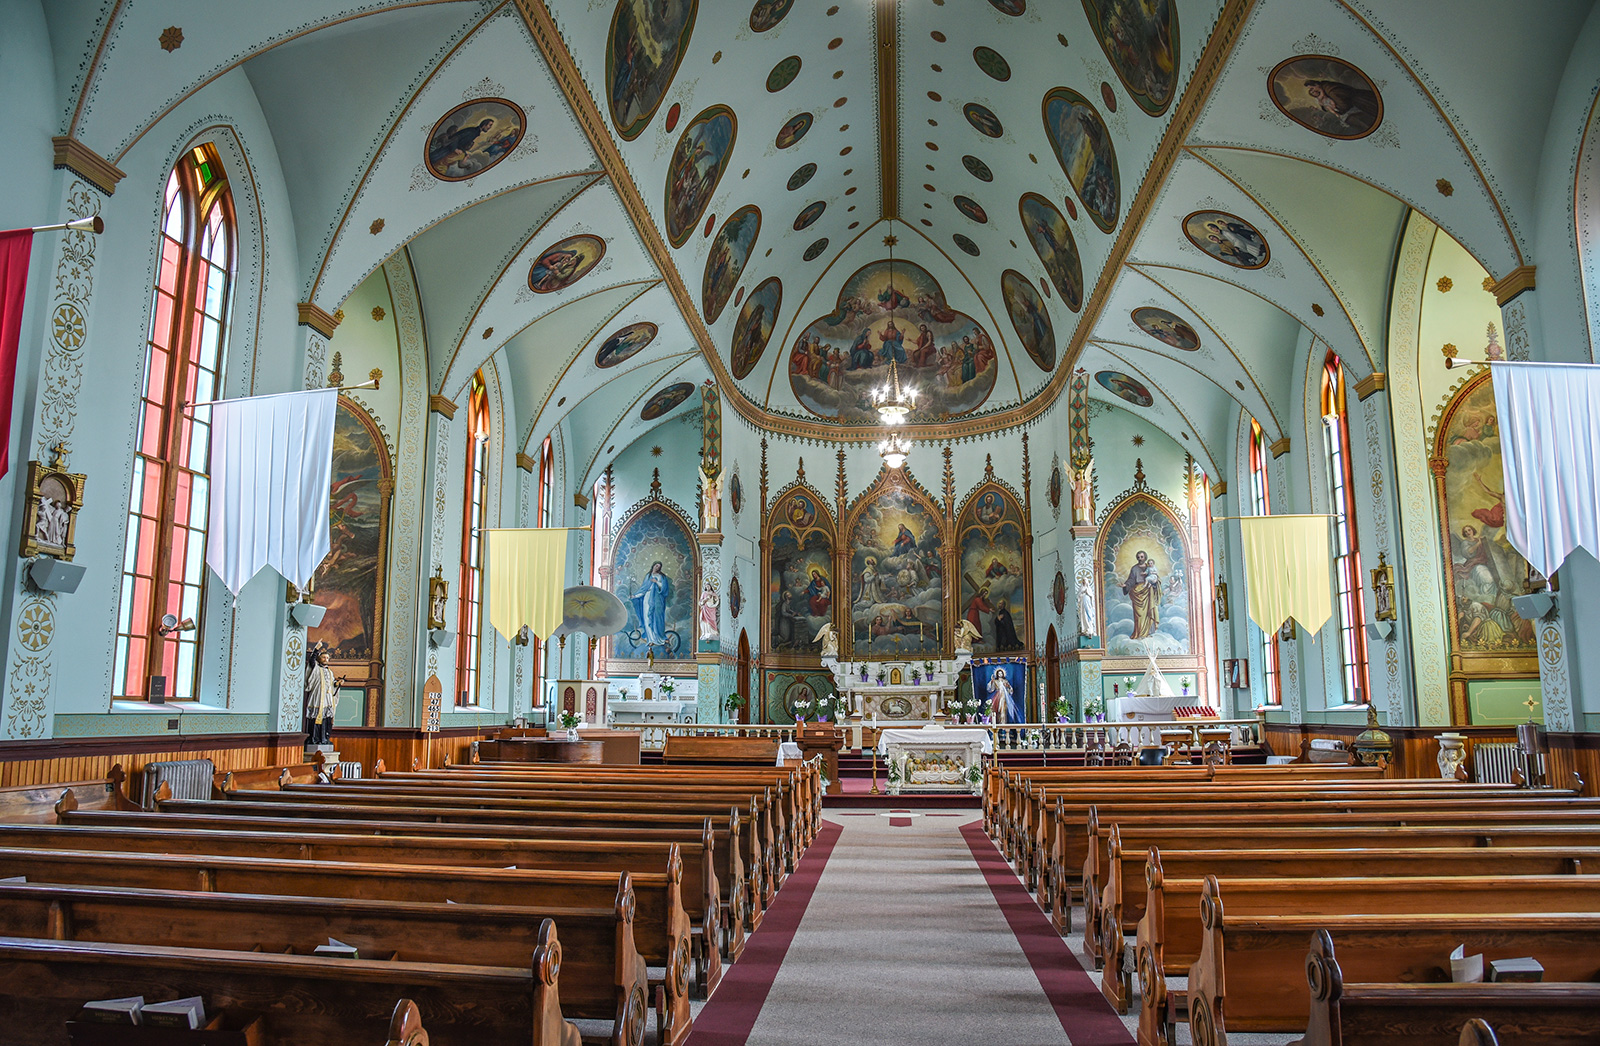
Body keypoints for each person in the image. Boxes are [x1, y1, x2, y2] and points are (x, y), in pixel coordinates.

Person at [304, 643, 340, 747]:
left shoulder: (330, 672)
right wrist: (316, 649)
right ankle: (314, 739)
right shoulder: (316, 668)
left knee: (327, 718)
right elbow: (312, 661)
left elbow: (332, 684)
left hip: (327, 698)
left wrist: (337, 684)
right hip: (318, 696)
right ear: (319, 658)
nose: (326, 659)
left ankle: (324, 738)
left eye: (327, 658)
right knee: (315, 716)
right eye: (324, 657)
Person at [1122, 550, 1161, 640]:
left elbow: (1156, 578)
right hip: (1137, 592)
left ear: (1145, 558)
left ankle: (1148, 633)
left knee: (1148, 613)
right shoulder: (1134, 568)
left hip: (1148, 591)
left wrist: (1155, 583)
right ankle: (1139, 633)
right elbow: (1131, 580)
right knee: (1138, 615)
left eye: (1142, 557)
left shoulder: (1150, 567)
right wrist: (1126, 585)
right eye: (1138, 557)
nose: (1140, 559)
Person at [632, 561, 672, 648]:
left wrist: (656, 582)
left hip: (658, 599)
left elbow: (664, 589)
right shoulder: (648, 576)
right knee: (647, 617)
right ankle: (651, 639)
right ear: (653, 565)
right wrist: (635, 596)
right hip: (647, 597)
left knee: (658, 618)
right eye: (656, 565)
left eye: (659, 566)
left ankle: (660, 638)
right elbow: (644, 589)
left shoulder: (662, 577)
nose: (657, 567)